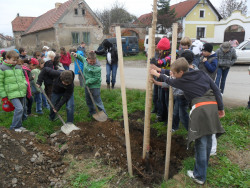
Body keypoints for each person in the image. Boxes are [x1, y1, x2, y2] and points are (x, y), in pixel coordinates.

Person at [150, 57, 225, 185]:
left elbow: (168, 79)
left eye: (175, 73)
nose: (173, 74)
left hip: (200, 109)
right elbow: (216, 89)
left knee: (200, 142)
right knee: (207, 139)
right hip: (212, 105)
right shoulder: (200, 73)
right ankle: (203, 168)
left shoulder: (182, 81)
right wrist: (221, 108)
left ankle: (199, 176)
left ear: (181, 73)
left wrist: (156, 74)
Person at [72, 51, 106, 116]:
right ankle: (92, 113)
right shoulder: (85, 61)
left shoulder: (97, 67)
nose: (92, 63)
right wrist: (76, 55)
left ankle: (104, 114)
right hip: (87, 85)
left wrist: (87, 81)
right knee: (88, 100)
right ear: (87, 59)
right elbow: (81, 58)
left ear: (96, 60)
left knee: (98, 102)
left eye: (94, 61)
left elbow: (96, 78)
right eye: (91, 61)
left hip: (95, 86)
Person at [0, 50, 27, 132]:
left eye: (16, 60)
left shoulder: (18, 67)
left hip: (21, 92)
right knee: (19, 109)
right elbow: (0, 83)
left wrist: (24, 84)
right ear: (7, 58)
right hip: (11, 93)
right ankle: (13, 128)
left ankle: (19, 126)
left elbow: (23, 77)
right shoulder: (2, 68)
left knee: (22, 108)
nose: (15, 62)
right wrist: (4, 96)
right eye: (13, 60)